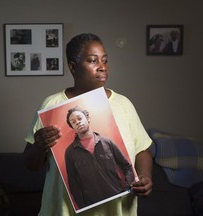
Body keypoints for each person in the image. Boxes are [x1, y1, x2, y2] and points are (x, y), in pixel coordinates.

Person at [24, 33, 153, 216]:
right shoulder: (52, 106)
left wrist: (145, 177)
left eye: (105, 61)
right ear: (73, 67)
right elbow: (30, 164)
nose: (102, 67)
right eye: (93, 61)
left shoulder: (123, 104)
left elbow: (142, 150)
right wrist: (39, 146)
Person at [65, 107, 134, 209]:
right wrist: (83, 206)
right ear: (72, 127)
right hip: (93, 206)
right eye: (73, 122)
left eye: (79, 118)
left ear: (88, 119)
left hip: (119, 199)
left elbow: (127, 166)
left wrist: (128, 188)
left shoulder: (107, 142)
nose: (77, 123)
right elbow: (73, 184)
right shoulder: (70, 152)